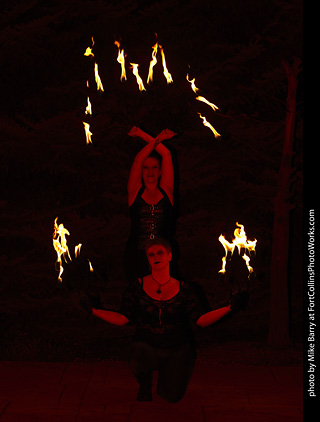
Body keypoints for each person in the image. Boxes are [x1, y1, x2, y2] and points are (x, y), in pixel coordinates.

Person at [84, 237, 249, 403]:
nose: (156, 257)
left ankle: (168, 371)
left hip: (177, 347)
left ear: (169, 256)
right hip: (146, 344)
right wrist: (93, 310)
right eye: (151, 254)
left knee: (171, 396)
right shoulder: (137, 286)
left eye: (159, 253)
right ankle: (144, 382)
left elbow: (200, 320)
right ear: (147, 259)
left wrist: (230, 308)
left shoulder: (185, 289)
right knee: (137, 353)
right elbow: (122, 318)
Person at [124, 126, 179, 282]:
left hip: (165, 257)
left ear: (160, 171)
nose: (150, 172)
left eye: (155, 167)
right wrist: (155, 138)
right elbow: (138, 160)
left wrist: (148, 136)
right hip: (137, 256)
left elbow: (166, 154)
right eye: (146, 168)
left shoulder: (166, 191)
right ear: (141, 171)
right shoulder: (135, 191)